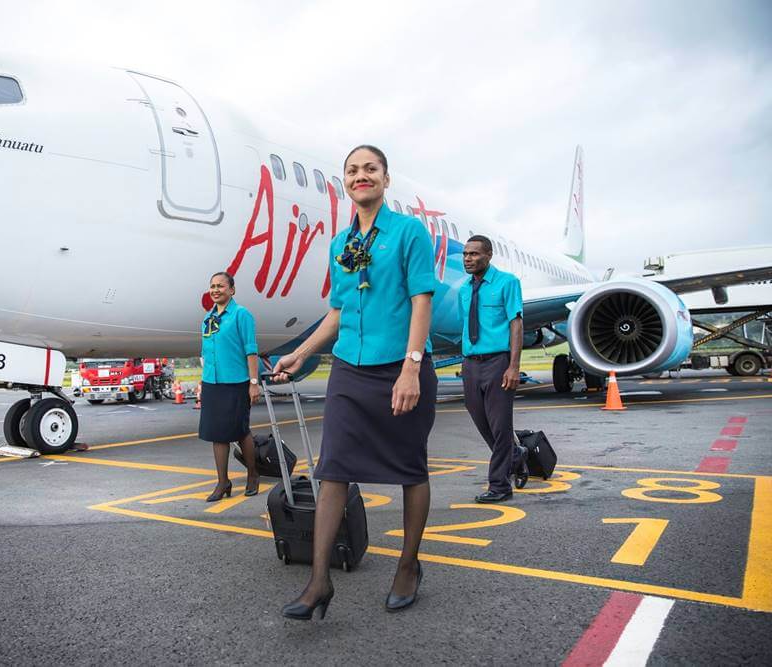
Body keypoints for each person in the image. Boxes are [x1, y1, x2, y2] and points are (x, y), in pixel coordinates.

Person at [273, 145, 436, 620]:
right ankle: (318, 581)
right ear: (345, 181)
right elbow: (338, 312)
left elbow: (421, 301)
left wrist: (411, 367)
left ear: (386, 178)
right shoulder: (340, 245)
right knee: (333, 469)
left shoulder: (408, 232)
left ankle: (408, 565)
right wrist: (301, 353)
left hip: (399, 365)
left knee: (411, 468)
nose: (360, 176)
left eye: (370, 169)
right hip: (349, 366)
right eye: (352, 171)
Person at [459, 235, 527, 503]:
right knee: (480, 419)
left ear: (488, 255)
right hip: (470, 363)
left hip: (498, 362)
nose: (468, 259)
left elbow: (516, 324)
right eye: (465, 254)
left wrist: (513, 366)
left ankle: (500, 485)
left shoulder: (507, 283)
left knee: (500, 426)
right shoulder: (464, 290)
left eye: (474, 254)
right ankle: (515, 455)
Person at [198, 271, 261, 501]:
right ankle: (223, 482)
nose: (215, 290)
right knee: (217, 434)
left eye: (221, 286)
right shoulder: (208, 318)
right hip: (212, 382)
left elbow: (251, 350)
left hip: (236, 382)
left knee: (240, 431)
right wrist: (203, 380)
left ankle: (253, 474)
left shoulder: (241, 315)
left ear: (231, 290)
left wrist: (253, 383)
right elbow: (206, 352)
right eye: (212, 286)